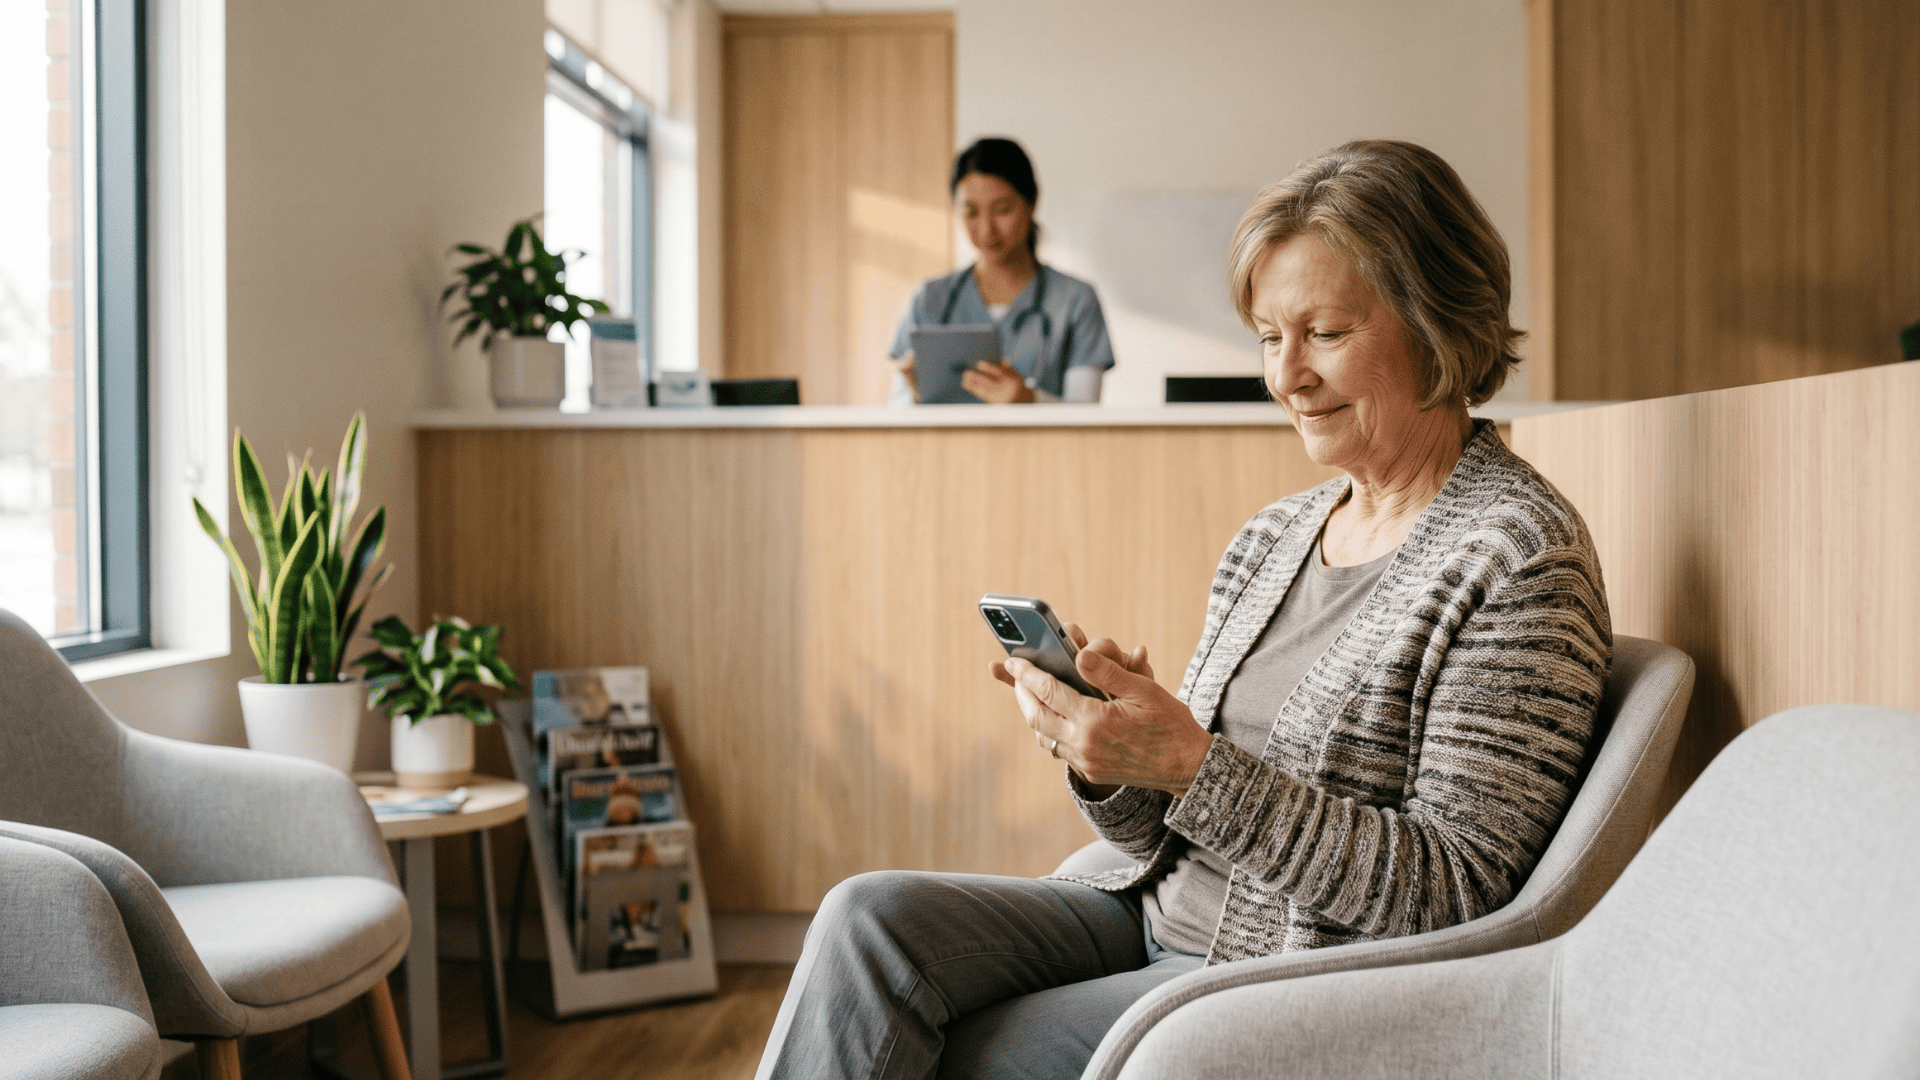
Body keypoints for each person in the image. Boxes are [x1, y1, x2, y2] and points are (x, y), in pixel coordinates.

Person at [758, 139, 1612, 1080]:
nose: (1285, 377)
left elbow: (1457, 893)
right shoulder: (1273, 536)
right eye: (1267, 337)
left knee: (946, 1051)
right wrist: (1112, 757)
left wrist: (1191, 763)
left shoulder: (1516, 557)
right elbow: (1162, 831)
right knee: (864, 919)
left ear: (1440, 322)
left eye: (1324, 333)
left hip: (1279, 975)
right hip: (1148, 911)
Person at [889, 138, 1115, 404]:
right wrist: (915, 398)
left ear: (1031, 203)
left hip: (1043, 448)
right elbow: (897, 411)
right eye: (971, 212)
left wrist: (1029, 401)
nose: (986, 229)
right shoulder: (930, 299)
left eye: (1002, 210)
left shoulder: (1075, 300)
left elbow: (1087, 419)